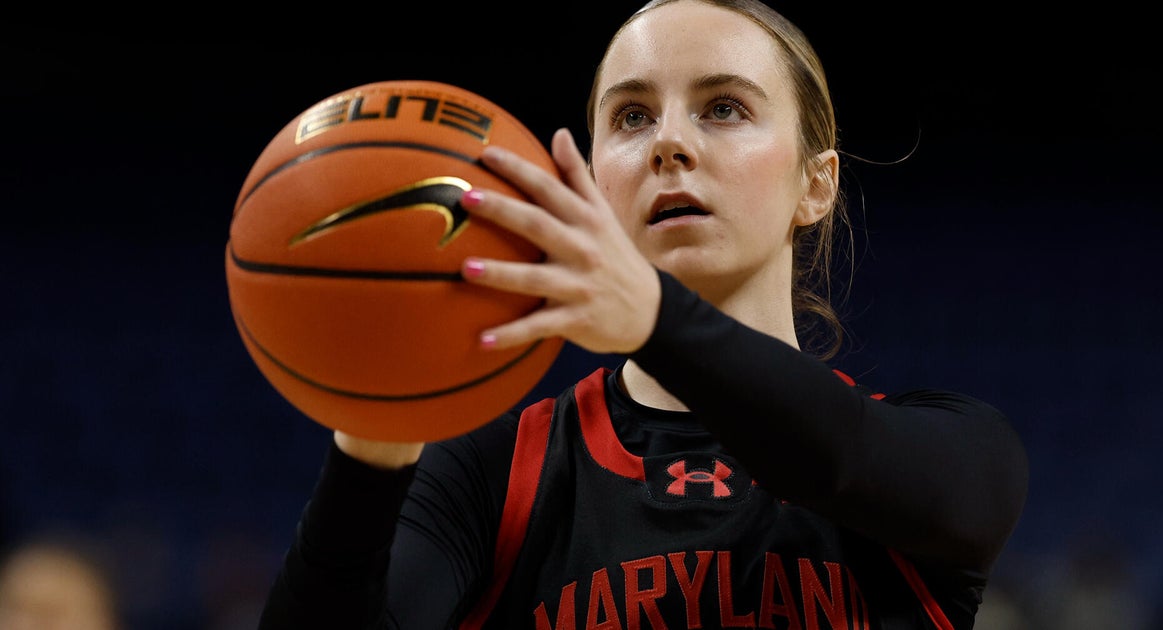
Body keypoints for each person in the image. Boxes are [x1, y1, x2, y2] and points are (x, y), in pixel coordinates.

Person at [258, 0, 1030, 628]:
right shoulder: (493, 472)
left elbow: (828, 457)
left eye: (723, 107)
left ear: (816, 184)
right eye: (631, 116)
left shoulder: (955, 452)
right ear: (594, 180)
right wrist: (369, 446)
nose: (669, 143)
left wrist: (656, 319)